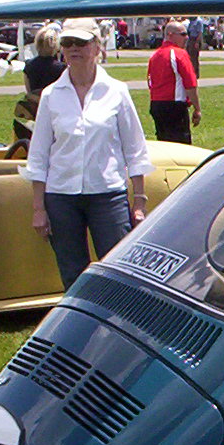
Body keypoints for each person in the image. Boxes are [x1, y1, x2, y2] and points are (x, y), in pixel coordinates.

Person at [23, 17, 153, 289]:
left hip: (107, 195)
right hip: (61, 197)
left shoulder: (117, 91)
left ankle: (116, 327)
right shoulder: (51, 95)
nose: (74, 49)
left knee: (117, 271)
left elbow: (135, 149)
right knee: (72, 274)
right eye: (67, 43)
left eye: (81, 43)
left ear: (97, 47)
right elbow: (38, 156)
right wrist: (38, 208)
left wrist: (139, 201)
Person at [146, 19, 201, 143]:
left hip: (156, 105)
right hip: (174, 106)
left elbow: (150, 82)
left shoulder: (154, 56)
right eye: (183, 34)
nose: (186, 38)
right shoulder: (179, 53)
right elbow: (191, 84)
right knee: (181, 145)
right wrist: (197, 109)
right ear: (170, 35)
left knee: (164, 143)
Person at [14, 24, 64, 142]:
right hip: (55, 109)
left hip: (36, 108)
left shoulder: (29, 65)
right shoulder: (61, 68)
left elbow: (29, 90)